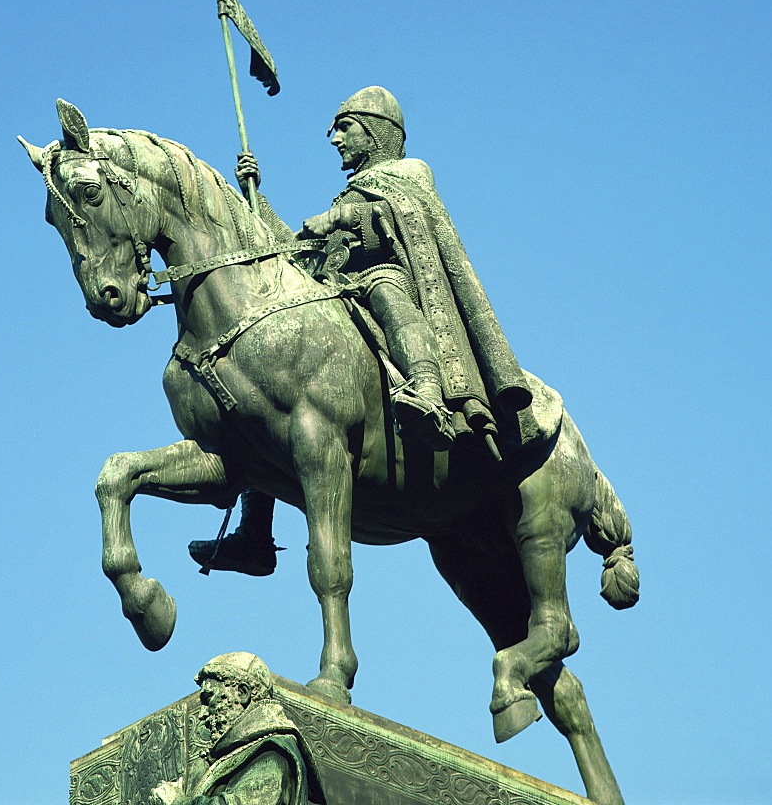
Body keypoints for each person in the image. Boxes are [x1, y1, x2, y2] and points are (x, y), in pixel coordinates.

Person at [188, 87, 532, 576]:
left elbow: (399, 218)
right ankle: (255, 534)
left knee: (388, 293)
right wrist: (256, 201)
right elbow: (297, 249)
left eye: (345, 128)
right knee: (270, 389)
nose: (335, 139)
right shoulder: (349, 190)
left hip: (389, 276)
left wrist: (340, 216)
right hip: (337, 286)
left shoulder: (407, 175)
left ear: (375, 131)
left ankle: (429, 393)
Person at [149, 653, 325, 805]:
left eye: (209, 698)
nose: (203, 714)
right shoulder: (237, 754)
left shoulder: (273, 753)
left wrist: (177, 801)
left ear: (242, 693)